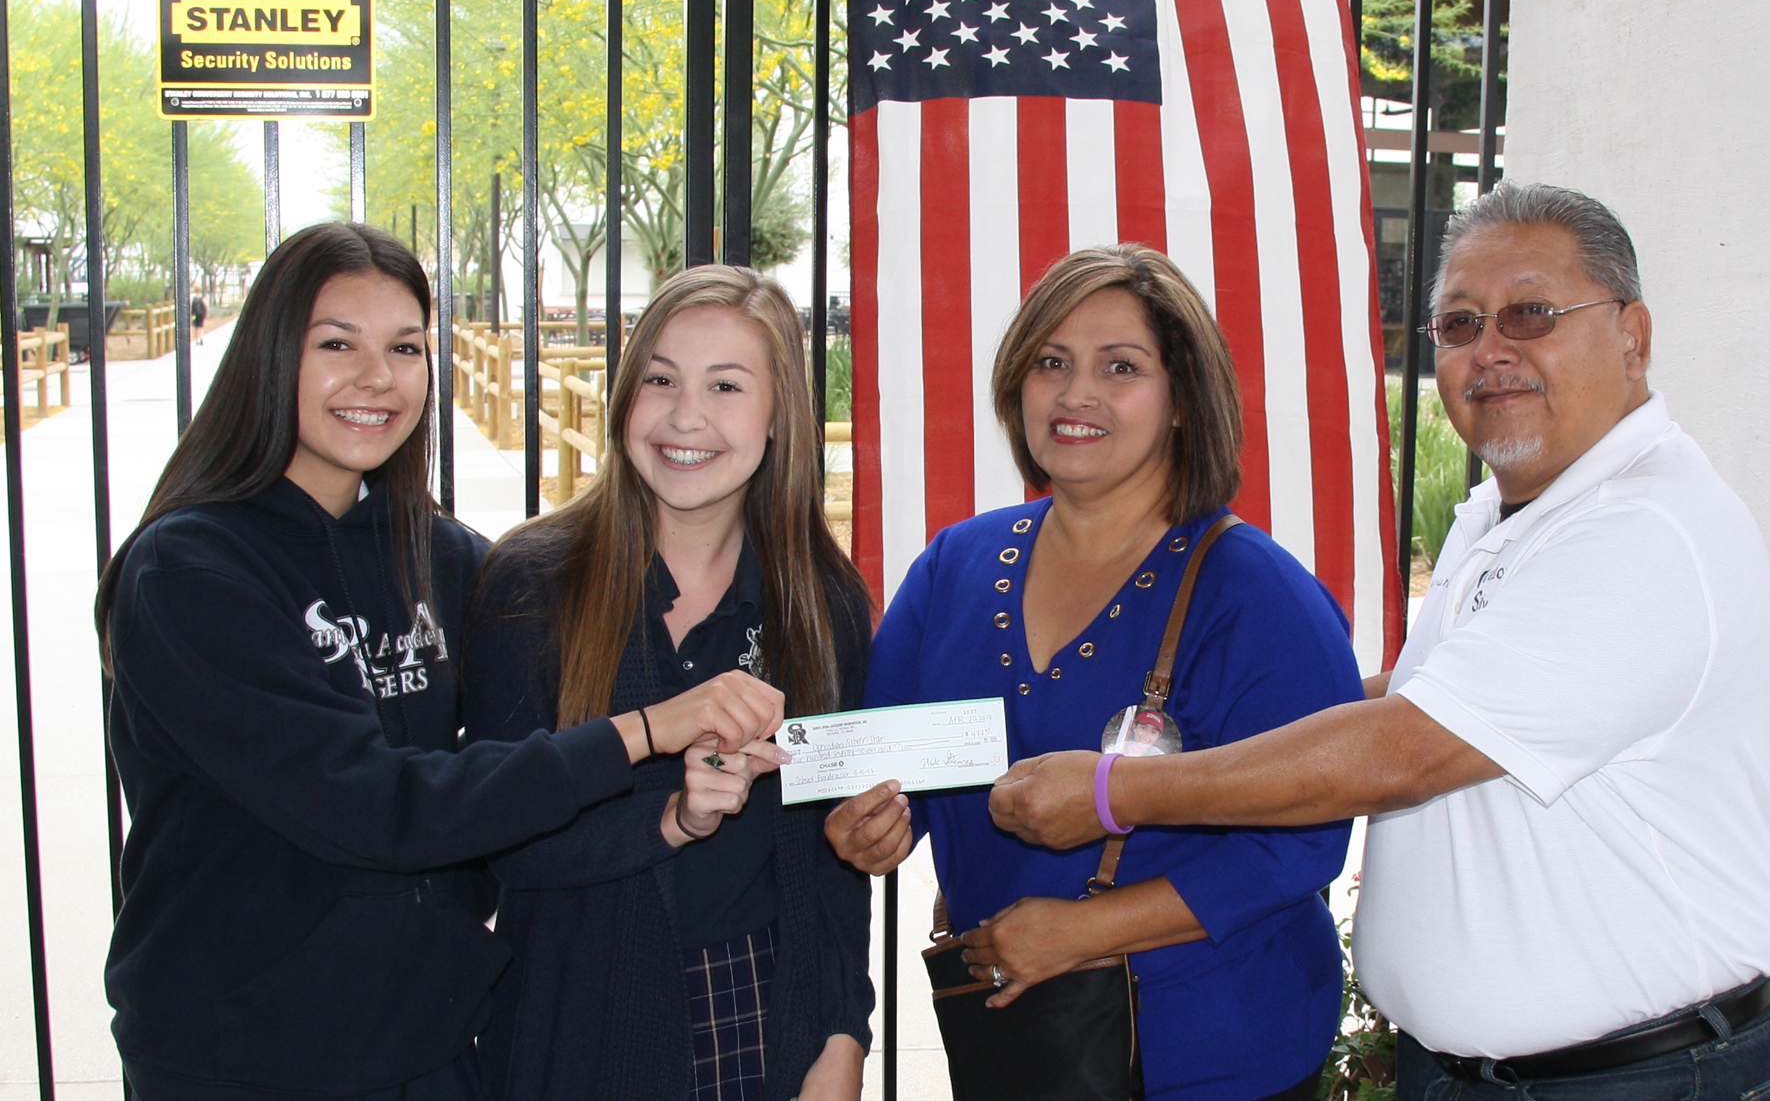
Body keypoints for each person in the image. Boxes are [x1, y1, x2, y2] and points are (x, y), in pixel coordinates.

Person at [990, 184, 1770, 1100]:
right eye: (1460, 324)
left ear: (1632, 336)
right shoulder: (1507, 510)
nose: (1491, 350)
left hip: (1630, 1076)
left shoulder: (1642, 531)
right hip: (1478, 1070)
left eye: (1531, 314)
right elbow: (1420, 696)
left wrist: (1112, 789)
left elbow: (1408, 751)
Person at [96, 223, 786, 1101]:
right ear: (270, 354)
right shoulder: (190, 571)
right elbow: (376, 803)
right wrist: (646, 729)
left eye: (405, 347)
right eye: (337, 344)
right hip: (239, 1052)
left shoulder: (447, 558)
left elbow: (514, 776)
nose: (375, 377)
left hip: (429, 1046)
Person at [828, 245, 1364, 1101]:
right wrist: (877, 823)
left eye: (1121, 367)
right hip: (1022, 1046)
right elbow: (898, 766)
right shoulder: (954, 567)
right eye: (1051, 362)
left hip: (1218, 1055)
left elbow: (1305, 840)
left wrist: (1087, 930)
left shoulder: (1261, 595)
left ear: (1182, 399)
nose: (1076, 393)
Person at [462, 266, 874, 1101]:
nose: (686, 416)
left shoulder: (819, 598)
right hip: (575, 1013)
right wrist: (672, 816)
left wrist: (843, 1033)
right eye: (659, 379)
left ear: (778, 416)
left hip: (761, 1009)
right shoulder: (533, 582)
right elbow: (499, 835)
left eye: (726, 385)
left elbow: (830, 859)